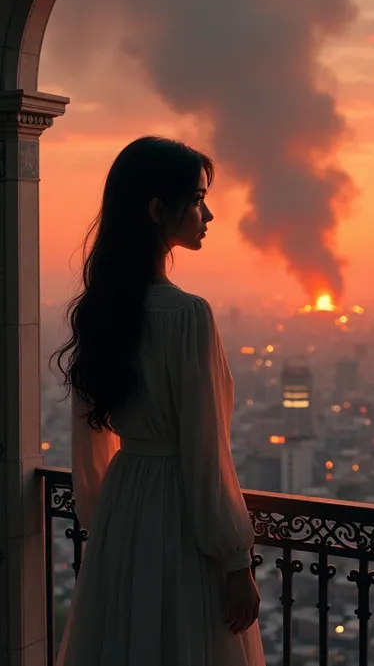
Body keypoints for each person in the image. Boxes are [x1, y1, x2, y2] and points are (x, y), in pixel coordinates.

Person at [51, 136, 266, 666]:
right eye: (196, 198)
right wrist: (236, 559)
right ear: (157, 210)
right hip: (179, 513)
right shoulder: (188, 314)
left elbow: (89, 438)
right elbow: (205, 447)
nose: (208, 212)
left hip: (124, 507)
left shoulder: (98, 309)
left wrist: (107, 518)